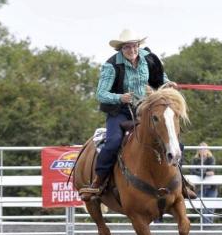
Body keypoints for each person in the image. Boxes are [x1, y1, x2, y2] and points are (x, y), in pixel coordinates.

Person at [81, 28, 196, 201]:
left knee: (173, 141)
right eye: (127, 47)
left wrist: (167, 83)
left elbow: (159, 77)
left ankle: (179, 182)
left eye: (134, 46)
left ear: (138, 45)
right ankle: (99, 182)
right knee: (112, 143)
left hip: (144, 109)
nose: (132, 50)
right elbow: (101, 94)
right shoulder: (111, 66)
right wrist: (120, 97)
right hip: (119, 112)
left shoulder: (148, 58)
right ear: (121, 48)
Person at [190, 142, 218, 223]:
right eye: (201, 149)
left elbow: (212, 171)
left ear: (207, 150)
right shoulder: (195, 160)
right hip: (200, 188)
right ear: (198, 150)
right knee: (203, 208)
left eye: (205, 149)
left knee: (210, 208)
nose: (203, 151)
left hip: (211, 187)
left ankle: (208, 227)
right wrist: (205, 173)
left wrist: (200, 173)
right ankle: (206, 228)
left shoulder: (211, 159)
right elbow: (193, 172)